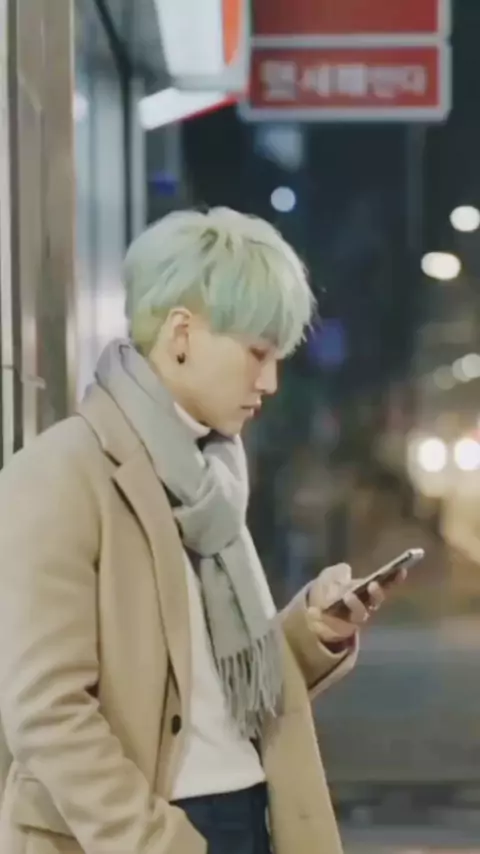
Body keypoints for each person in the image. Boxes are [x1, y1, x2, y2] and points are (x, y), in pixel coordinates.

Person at [0, 208, 405, 854]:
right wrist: (160, 841)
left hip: (253, 813)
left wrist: (312, 631)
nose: (269, 382)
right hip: (148, 833)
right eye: (257, 354)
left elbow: (213, 687)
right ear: (182, 333)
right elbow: (46, 711)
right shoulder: (62, 473)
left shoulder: (211, 475)